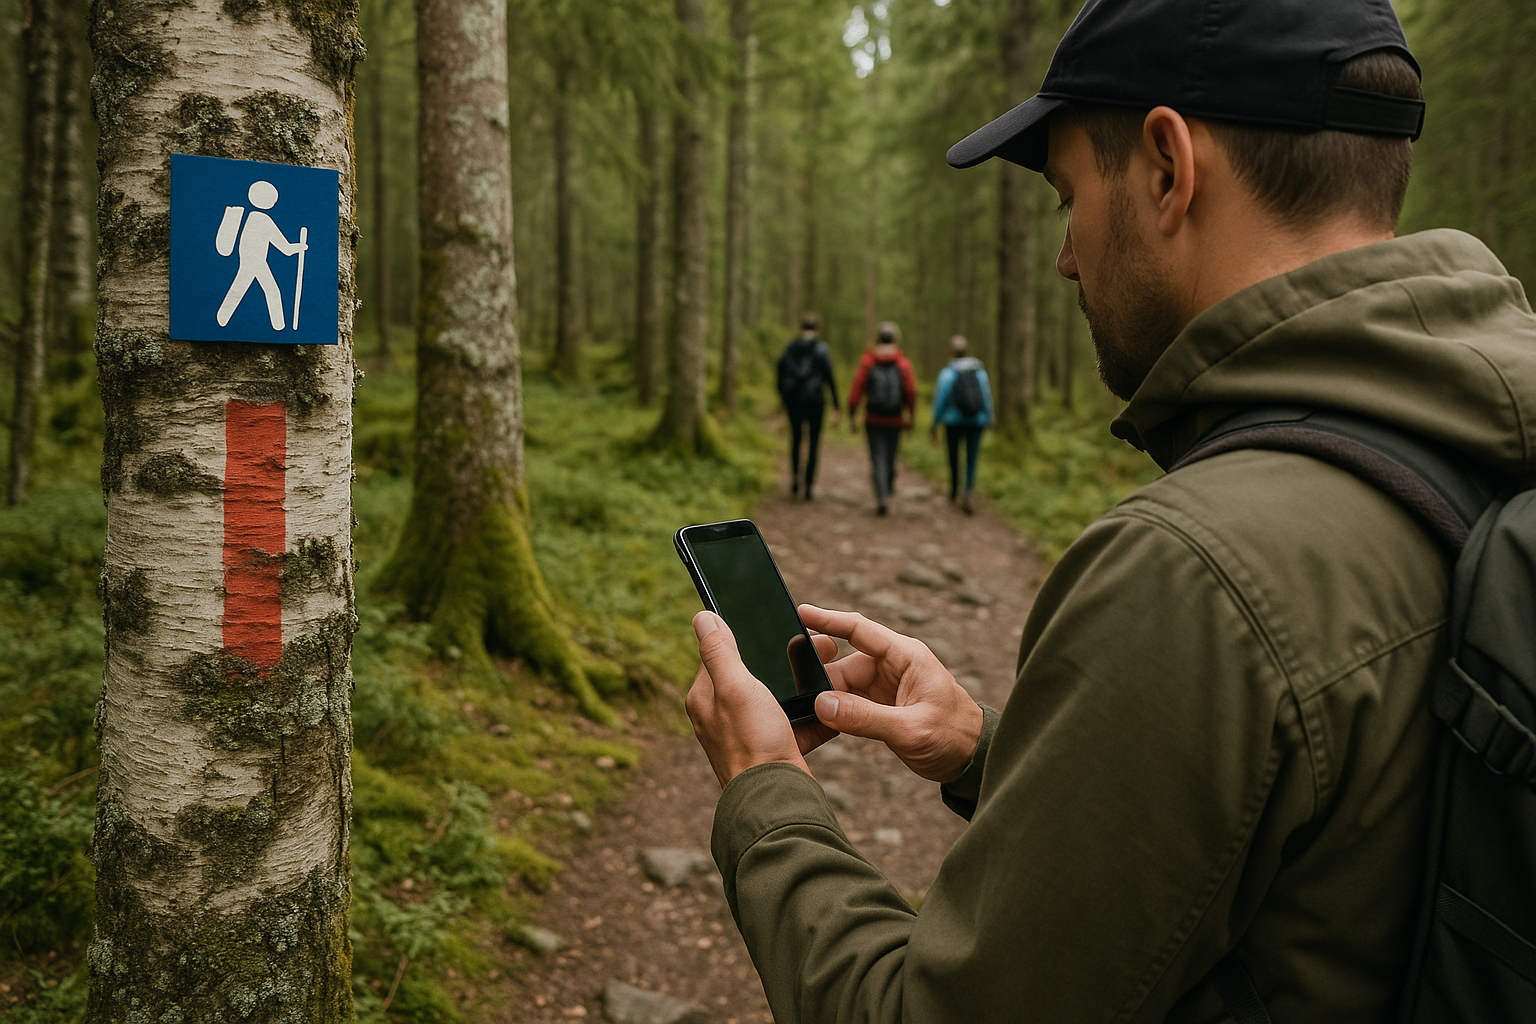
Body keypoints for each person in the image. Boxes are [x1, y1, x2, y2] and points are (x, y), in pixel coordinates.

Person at [683, 1, 1536, 1021]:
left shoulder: (1198, 572)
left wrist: (764, 790)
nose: (1068, 256)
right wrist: (989, 751)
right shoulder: (1490, 434)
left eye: (1068, 197)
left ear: (1170, 167)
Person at [846, 322, 917, 515]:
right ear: (896, 340)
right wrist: (911, 416)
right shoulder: (903, 364)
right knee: (891, 456)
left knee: (878, 457)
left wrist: (852, 413)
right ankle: (888, 482)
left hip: (873, 419)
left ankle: (881, 496)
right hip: (895, 419)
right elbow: (910, 391)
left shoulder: (868, 362)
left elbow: (856, 389)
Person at [776, 314, 841, 500]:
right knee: (813, 443)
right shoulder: (821, 350)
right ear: (817, 329)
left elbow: (781, 372)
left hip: (795, 401)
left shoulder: (791, 347)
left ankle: (795, 479)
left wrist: (783, 398)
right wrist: (836, 405)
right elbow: (830, 378)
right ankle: (809, 486)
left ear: (801, 327)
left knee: (796, 440)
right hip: (815, 402)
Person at [929, 335, 993, 513]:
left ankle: (954, 490)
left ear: (951, 353)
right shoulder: (979, 371)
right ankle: (968, 491)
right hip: (976, 421)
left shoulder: (947, 373)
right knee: (972, 457)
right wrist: (990, 417)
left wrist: (935, 423)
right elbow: (986, 396)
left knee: (953, 456)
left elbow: (940, 399)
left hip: (953, 422)